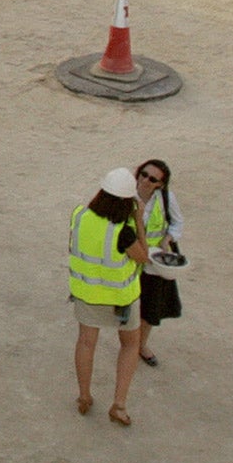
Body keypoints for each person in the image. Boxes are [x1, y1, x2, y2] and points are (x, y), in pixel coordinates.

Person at [70, 166, 150, 426]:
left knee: (85, 343)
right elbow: (143, 257)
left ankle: (84, 397)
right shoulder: (123, 232)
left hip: (87, 294)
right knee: (129, 345)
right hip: (120, 299)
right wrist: (138, 221)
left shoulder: (80, 215)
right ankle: (119, 405)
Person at [135, 158, 183, 367]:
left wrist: (167, 239)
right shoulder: (124, 193)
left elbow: (177, 222)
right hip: (130, 259)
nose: (145, 180)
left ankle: (140, 345)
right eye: (143, 174)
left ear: (160, 185)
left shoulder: (165, 198)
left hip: (154, 263)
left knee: (149, 309)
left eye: (152, 178)